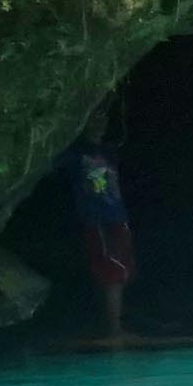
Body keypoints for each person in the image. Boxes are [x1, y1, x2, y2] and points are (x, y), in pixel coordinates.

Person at [66, 134, 135, 345]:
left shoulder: (109, 151)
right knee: (111, 273)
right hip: (98, 220)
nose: (99, 121)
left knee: (123, 271)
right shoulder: (75, 154)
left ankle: (115, 326)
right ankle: (114, 330)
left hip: (117, 216)